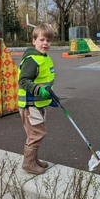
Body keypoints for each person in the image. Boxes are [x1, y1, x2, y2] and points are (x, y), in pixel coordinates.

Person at [17, 23, 57, 175]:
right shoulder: (32, 60)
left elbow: (46, 81)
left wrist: (50, 97)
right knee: (37, 133)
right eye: (42, 40)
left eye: (48, 40)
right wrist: (39, 90)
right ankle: (28, 163)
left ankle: (33, 160)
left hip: (39, 103)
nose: (45, 43)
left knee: (35, 133)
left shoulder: (44, 58)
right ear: (34, 41)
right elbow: (24, 81)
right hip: (30, 104)